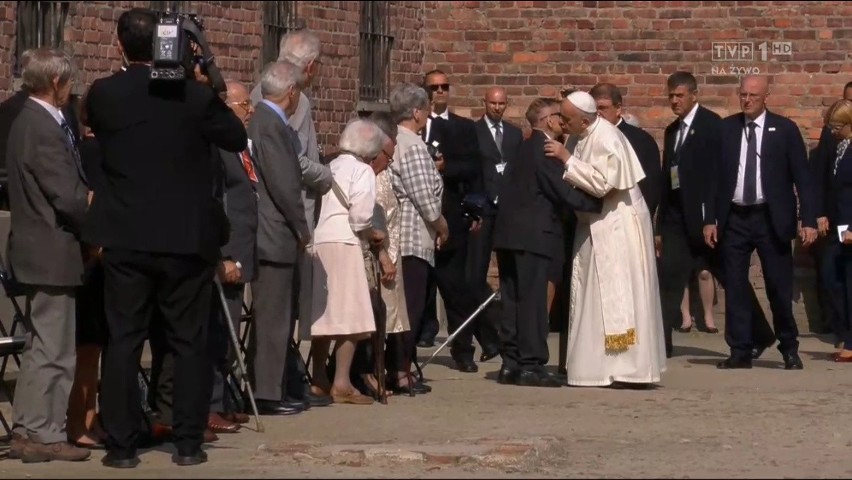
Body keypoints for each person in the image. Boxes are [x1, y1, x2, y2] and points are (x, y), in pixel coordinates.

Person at [84, 7, 247, 468]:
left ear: (120, 46)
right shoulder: (192, 98)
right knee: (187, 341)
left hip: (126, 236)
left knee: (124, 340)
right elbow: (235, 135)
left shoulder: (105, 94)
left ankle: (120, 446)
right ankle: (189, 441)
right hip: (184, 238)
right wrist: (203, 78)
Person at [544, 91, 667, 387]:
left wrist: (567, 159)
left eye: (567, 118)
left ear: (585, 119)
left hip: (619, 226)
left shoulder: (608, 137)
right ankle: (595, 367)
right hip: (593, 225)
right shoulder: (579, 135)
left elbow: (602, 184)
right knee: (591, 294)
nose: (563, 122)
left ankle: (628, 368)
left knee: (621, 293)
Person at [5, 47, 91, 463]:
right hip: (50, 249)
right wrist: (92, 201)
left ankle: (29, 427)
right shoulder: (40, 126)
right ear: (56, 83)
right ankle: (44, 432)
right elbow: (68, 196)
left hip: (40, 248)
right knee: (55, 349)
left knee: (42, 346)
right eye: (70, 82)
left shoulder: (32, 120)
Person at [655, 71, 775, 358]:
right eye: (671, 95)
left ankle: (760, 334)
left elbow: (720, 175)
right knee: (668, 279)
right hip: (676, 220)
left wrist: (715, 218)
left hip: (708, 221)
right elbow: (667, 178)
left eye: (680, 95)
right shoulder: (672, 130)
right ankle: (660, 344)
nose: (675, 101)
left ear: (694, 95)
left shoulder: (712, 126)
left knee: (731, 278)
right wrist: (660, 224)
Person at [704, 75, 817, 370]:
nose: (747, 100)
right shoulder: (726, 129)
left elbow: (803, 179)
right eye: (743, 94)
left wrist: (808, 219)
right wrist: (709, 219)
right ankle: (740, 349)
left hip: (771, 217)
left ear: (766, 96)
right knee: (736, 286)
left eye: (753, 95)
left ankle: (789, 347)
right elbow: (713, 179)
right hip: (735, 217)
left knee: (778, 286)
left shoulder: (785, 130)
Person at [493, 97, 603, 388]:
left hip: (509, 235)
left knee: (513, 299)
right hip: (534, 236)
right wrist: (599, 203)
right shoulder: (544, 149)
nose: (563, 122)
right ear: (548, 121)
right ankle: (531, 364)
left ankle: (511, 362)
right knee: (532, 302)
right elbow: (562, 190)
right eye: (559, 116)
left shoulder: (521, 147)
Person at [301, 119, 388, 405]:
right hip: (345, 241)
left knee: (324, 314)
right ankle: (342, 381)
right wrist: (372, 232)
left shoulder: (329, 165)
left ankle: (318, 379)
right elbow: (360, 215)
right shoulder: (362, 170)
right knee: (351, 315)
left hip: (319, 240)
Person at [246, 60, 310, 416]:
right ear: (292, 92)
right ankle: (267, 392)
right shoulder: (271, 124)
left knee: (274, 316)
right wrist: (302, 227)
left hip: (270, 232)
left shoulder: (264, 121)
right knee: (273, 317)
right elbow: (285, 184)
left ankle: (270, 386)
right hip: (274, 233)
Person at [388, 82, 448, 394]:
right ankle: (400, 370)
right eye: (425, 110)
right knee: (409, 307)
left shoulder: (398, 140)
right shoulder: (411, 145)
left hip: (405, 234)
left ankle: (400, 366)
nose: (427, 115)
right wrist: (442, 225)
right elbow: (425, 198)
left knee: (407, 305)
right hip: (412, 236)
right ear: (415, 112)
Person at [206, 80, 259, 433]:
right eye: (243, 106)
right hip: (227, 253)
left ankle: (224, 400)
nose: (249, 111)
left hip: (244, 251)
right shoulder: (220, 150)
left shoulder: (243, 148)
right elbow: (218, 202)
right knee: (217, 331)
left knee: (231, 332)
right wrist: (223, 254)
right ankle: (210, 404)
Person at [817, 100, 852, 361]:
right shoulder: (840, 148)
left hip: (849, 225)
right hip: (837, 224)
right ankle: (843, 332)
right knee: (832, 279)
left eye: (837, 126)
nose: (833, 131)